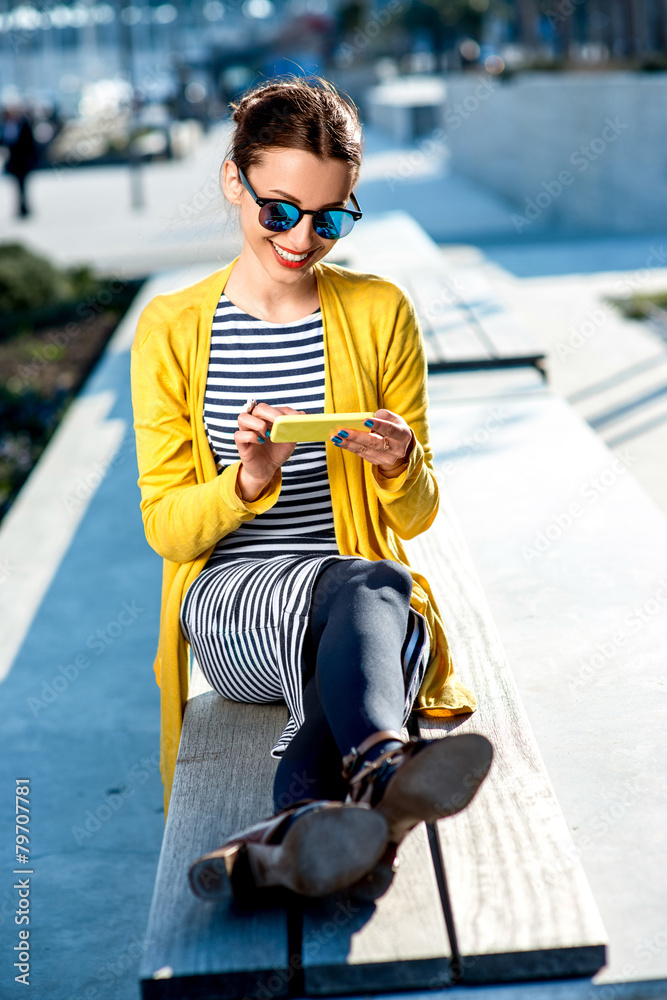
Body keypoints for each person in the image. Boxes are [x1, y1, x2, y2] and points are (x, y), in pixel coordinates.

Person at [130, 74, 492, 904]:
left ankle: (296, 838)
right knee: (374, 586)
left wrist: (401, 465)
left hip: (359, 606)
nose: (301, 239)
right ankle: (384, 762)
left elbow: (418, 511)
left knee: (371, 607)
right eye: (280, 211)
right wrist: (243, 483)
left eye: (329, 218)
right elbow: (166, 528)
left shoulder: (378, 311)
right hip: (232, 605)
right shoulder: (173, 327)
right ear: (235, 181)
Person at [1, 101, 38, 218]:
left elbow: (31, 143)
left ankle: (24, 208)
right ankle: (21, 208)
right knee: (17, 186)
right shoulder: (7, 125)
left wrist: (34, 159)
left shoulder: (24, 124)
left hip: (24, 161)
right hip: (14, 161)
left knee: (23, 185)